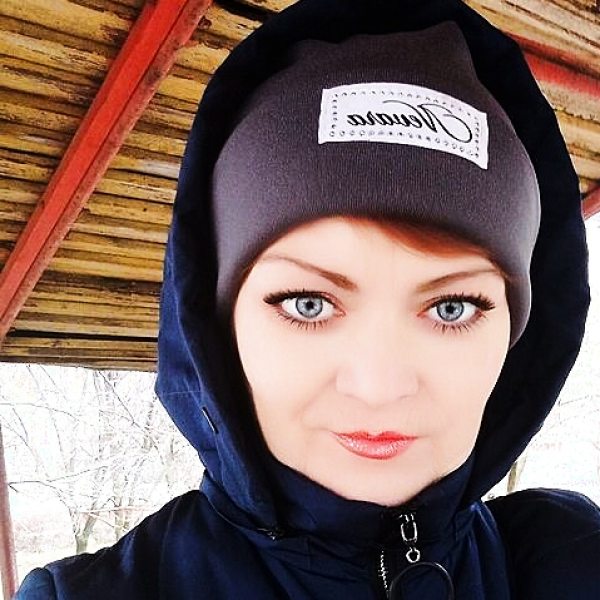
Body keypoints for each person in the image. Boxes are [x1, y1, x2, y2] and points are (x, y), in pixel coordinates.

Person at [14, 0, 600, 598]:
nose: (378, 387)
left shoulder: (569, 559)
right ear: (220, 327)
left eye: (453, 308)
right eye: (307, 304)